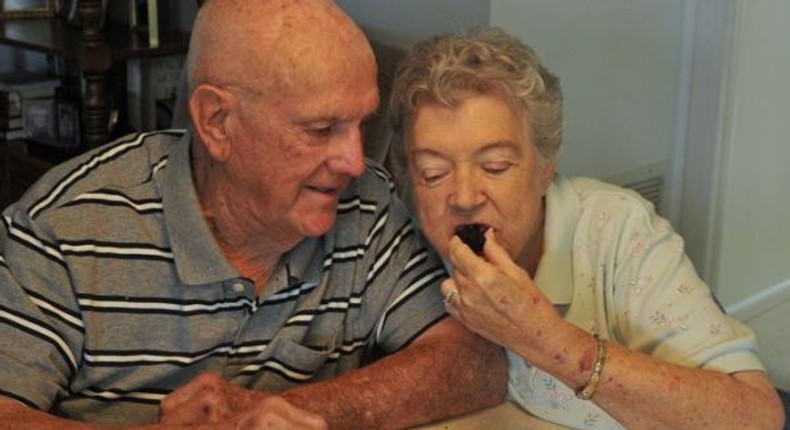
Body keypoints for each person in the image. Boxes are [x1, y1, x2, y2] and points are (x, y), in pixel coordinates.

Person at [0, 2, 508, 428]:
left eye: (361, 124)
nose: (355, 160)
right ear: (217, 122)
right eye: (320, 128)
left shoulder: (366, 204)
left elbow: (473, 362)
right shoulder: (62, 229)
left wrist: (281, 411)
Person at [388, 27, 785, 430]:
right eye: (433, 173)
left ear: (545, 167)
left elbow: (757, 418)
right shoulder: (403, 243)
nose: (465, 196)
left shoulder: (618, 233)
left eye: (495, 167)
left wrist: (547, 340)